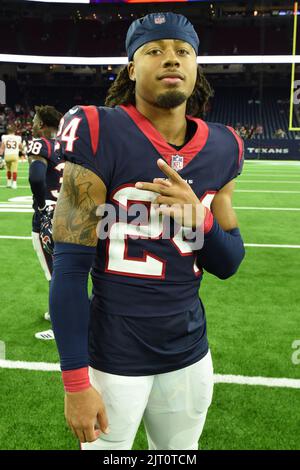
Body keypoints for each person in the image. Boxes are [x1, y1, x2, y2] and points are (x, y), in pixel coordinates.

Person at [50, 12, 245, 450]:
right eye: (154, 51)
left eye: (183, 51)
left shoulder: (224, 144)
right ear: (132, 68)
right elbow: (68, 270)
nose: (171, 59)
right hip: (114, 353)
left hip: (190, 350)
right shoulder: (98, 129)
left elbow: (229, 262)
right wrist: (76, 381)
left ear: (197, 67)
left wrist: (202, 219)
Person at [28, 105, 64, 340]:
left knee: (55, 273)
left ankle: (61, 324)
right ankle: (60, 312)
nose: (32, 122)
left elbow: (36, 177)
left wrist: (41, 207)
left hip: (49, 213)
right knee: (69, 269)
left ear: (42, 125)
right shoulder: (68, 145)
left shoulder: (41, 144)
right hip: (71, 213)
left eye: (35, 119)